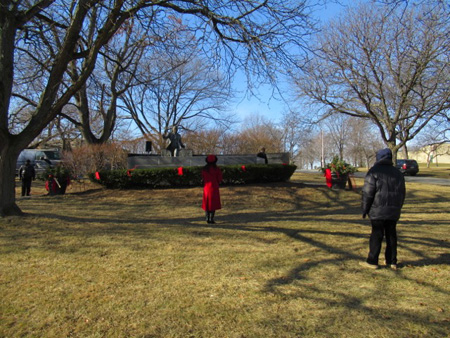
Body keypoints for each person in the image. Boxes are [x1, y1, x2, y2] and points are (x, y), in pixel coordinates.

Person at [361, 148, 406, 270]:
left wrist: (365, 209)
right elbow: (402, 193)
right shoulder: (398, 173)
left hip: (377, 210)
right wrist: (398, 207)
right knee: (391, 234)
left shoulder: (373, 172)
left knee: (377, 234)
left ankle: (372, 261)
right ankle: (392, 262)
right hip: (393, 210)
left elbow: (368, 193)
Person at [202, 155, 223, 224]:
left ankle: (207, 218)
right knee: (213, 204)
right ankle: (211, 218)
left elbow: (203, 178)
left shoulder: (204, 169)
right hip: (214, 187)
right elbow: (219, 179)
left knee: (207, 203)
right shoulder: (216, 169)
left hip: (206, 187)